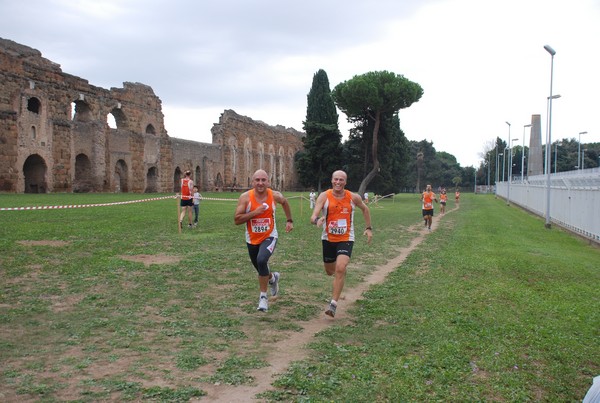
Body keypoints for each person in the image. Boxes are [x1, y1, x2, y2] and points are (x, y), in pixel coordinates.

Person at [310, 170, 372, 318]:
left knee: (340, 267)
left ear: (346, 182)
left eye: (341, 180)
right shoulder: (324, 196)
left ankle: (333, 304)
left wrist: (368, 228)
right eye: (336, 179)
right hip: (328, 238)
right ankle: (340, 275)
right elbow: (313, 215)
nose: (338, 182)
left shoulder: (353, 197)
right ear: (332, 181)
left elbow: (365, 209)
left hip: (346, 238)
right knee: (330, 271)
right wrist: (316, 220)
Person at [234, 169, 294, 312]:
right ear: (252, 182)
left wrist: (289, 220)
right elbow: (237, 220)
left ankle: (263, 298)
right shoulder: (245, 198)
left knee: (262, 260)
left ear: (268, 182)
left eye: (263, 180)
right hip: (252, 239)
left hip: (270, 236)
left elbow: (285, 203)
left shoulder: (275, 196)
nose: (260, 183)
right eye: (257, 180)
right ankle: (273, 278)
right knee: (261, 268)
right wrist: (255, 213)